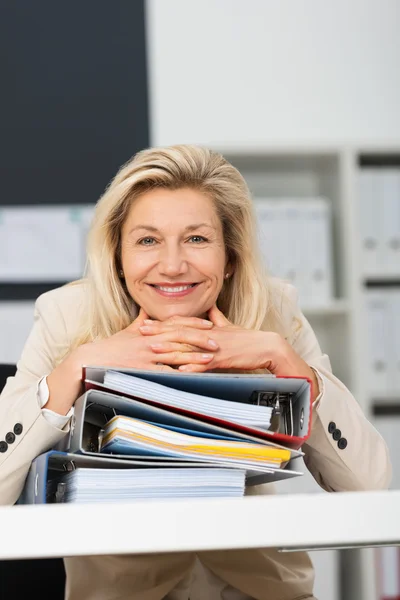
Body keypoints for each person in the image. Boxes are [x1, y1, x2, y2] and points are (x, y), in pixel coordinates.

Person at [0, 144, 391, 600]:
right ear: (119, 257)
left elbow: (368, 484)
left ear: (230, 258)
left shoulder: (273, 312)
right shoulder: (67, 316)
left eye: (197, 239)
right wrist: (73, 370)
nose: (172, 265)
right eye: (147, 240)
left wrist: (290, 365)